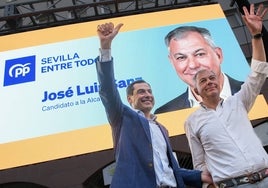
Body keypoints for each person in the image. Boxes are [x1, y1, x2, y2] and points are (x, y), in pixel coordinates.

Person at [95, 22, 213, 188]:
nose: (147, 95)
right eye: (141, 92)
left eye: (149, 91)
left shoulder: (161, 129)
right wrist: (105, 47)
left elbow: (169, 169)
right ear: (130, 99)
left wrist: (201, 175)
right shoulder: (122, 118)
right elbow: (107, 89)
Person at [184, 4, 268, 188]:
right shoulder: (192, 121)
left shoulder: (238, 102)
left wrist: (256, 35)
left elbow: (258, 73)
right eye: (203, 81)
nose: (209, 82)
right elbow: (199, 164)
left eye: (212, 78)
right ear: (196, 90)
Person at [154, 24, 244, 114]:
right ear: (172, 63)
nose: (193, 65)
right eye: (181, 58)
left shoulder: (256, 92)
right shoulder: (166, 113)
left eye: (200, 54)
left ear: (218, 55)